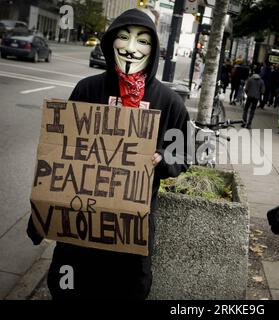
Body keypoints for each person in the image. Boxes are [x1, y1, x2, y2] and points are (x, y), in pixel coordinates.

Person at [26, 8, 189, 299]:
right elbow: (58, 153)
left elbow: (186, 152)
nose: (130, 48)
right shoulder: (87, 89)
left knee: (127, 291)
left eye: (142, 41)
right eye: (123, 38)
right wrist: (42, 214)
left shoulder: (169, 102)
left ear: (153, 50)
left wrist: (164, 158)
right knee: (70, 288)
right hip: (79, 225)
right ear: (111, 42)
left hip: (130, 228)